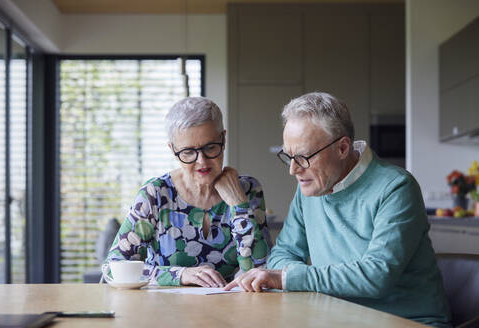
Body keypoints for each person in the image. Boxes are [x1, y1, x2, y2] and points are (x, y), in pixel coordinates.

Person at [224, 92, 451, 327]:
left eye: (303, 157)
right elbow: (283, 254)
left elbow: (376, 276)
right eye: (288, 156)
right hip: (337, 318)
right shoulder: (310, 188)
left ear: (342, 148)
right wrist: (302, 278)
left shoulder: (396, 187)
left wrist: (288, 278)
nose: (293, 170)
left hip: (406, 322)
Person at [103, 97, 269, 287]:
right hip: (163, 311)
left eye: (211, 147)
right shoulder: (155, 194)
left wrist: (239, 206)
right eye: (188, 152)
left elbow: (260, 272)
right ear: (172, 150)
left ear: (223, 138)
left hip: (228, 308)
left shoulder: (247, 189)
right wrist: (179, 275)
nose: (202, 162)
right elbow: (113, 268)